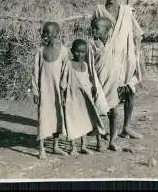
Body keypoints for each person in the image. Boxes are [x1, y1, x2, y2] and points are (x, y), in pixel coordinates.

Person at [89, 0, 144, 151]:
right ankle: (100, 128)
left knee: (130, 92)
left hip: (124, 57)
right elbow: (93, 31)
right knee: (103, 94)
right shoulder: (99, 10)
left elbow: (137, 32)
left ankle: (125, 127)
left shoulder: (126, 11)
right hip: (106, 59)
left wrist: (135, 54)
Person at [64, 39, 109, 156]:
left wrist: (93, 90)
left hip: (85, 99)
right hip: (72, 98)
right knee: (72, 122)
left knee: (85, 121)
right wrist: (63, 95)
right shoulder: (68, 65)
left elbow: (88, 81)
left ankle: (83, 145)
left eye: (83, 52)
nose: (80, 54)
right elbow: (63, 81)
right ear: (72, 51)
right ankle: (73, 147)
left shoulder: (85, 65)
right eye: (77, 51)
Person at [31, 21, 69, 159]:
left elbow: (65, 71)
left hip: (57, 90)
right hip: (44, 90)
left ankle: (55, 145)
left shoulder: (64, 52)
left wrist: (63, 89)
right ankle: (41, 148)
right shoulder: (40, 51)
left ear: (56, 34)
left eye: (46, 32)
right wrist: (35, 91)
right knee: (43, 117)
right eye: (43, 31)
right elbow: (35, 72)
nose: (43, 34)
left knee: (58, 116)